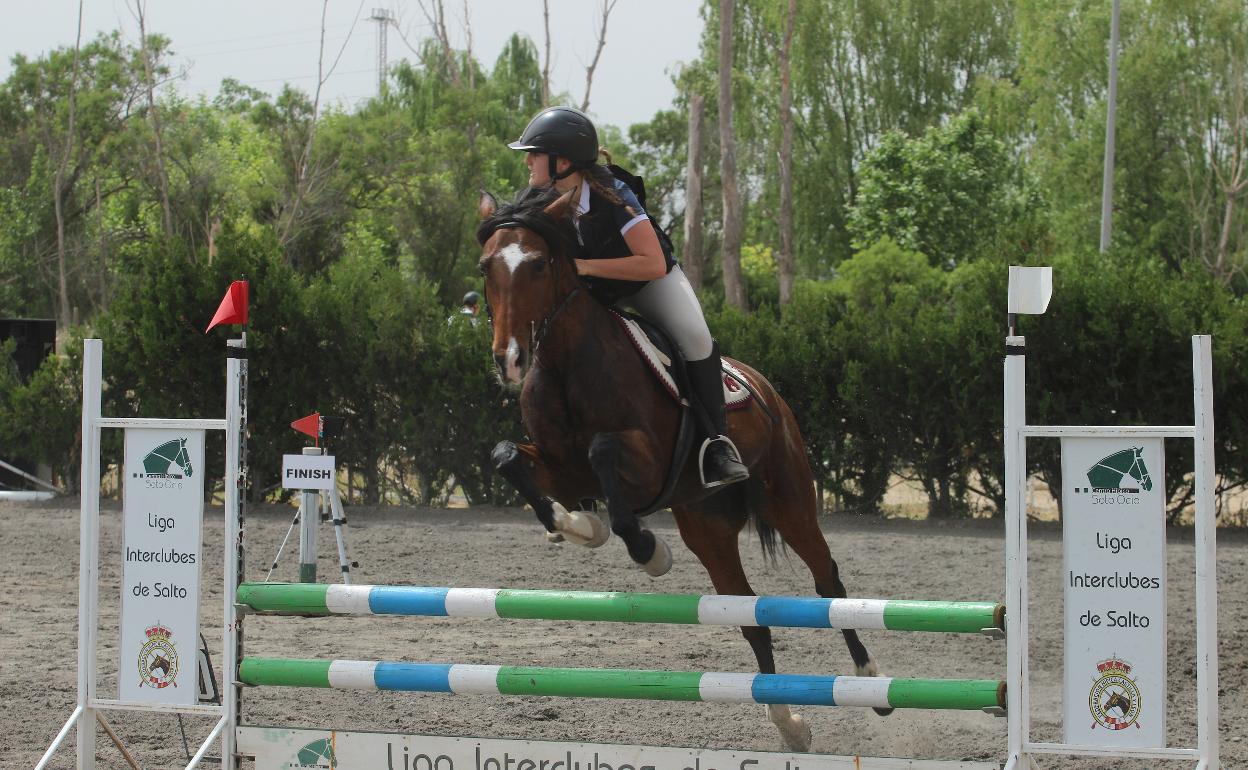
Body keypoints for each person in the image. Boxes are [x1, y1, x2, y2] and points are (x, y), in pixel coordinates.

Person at [507, 105, 748, 489]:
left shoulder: (614, 197)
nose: (528, 162)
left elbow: (650, 263)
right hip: (592, 294)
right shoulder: (534, 199)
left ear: (563, 161)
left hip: (648, 282)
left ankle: (717, 445)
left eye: (534, 154)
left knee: (696, 338)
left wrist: (583, 268)